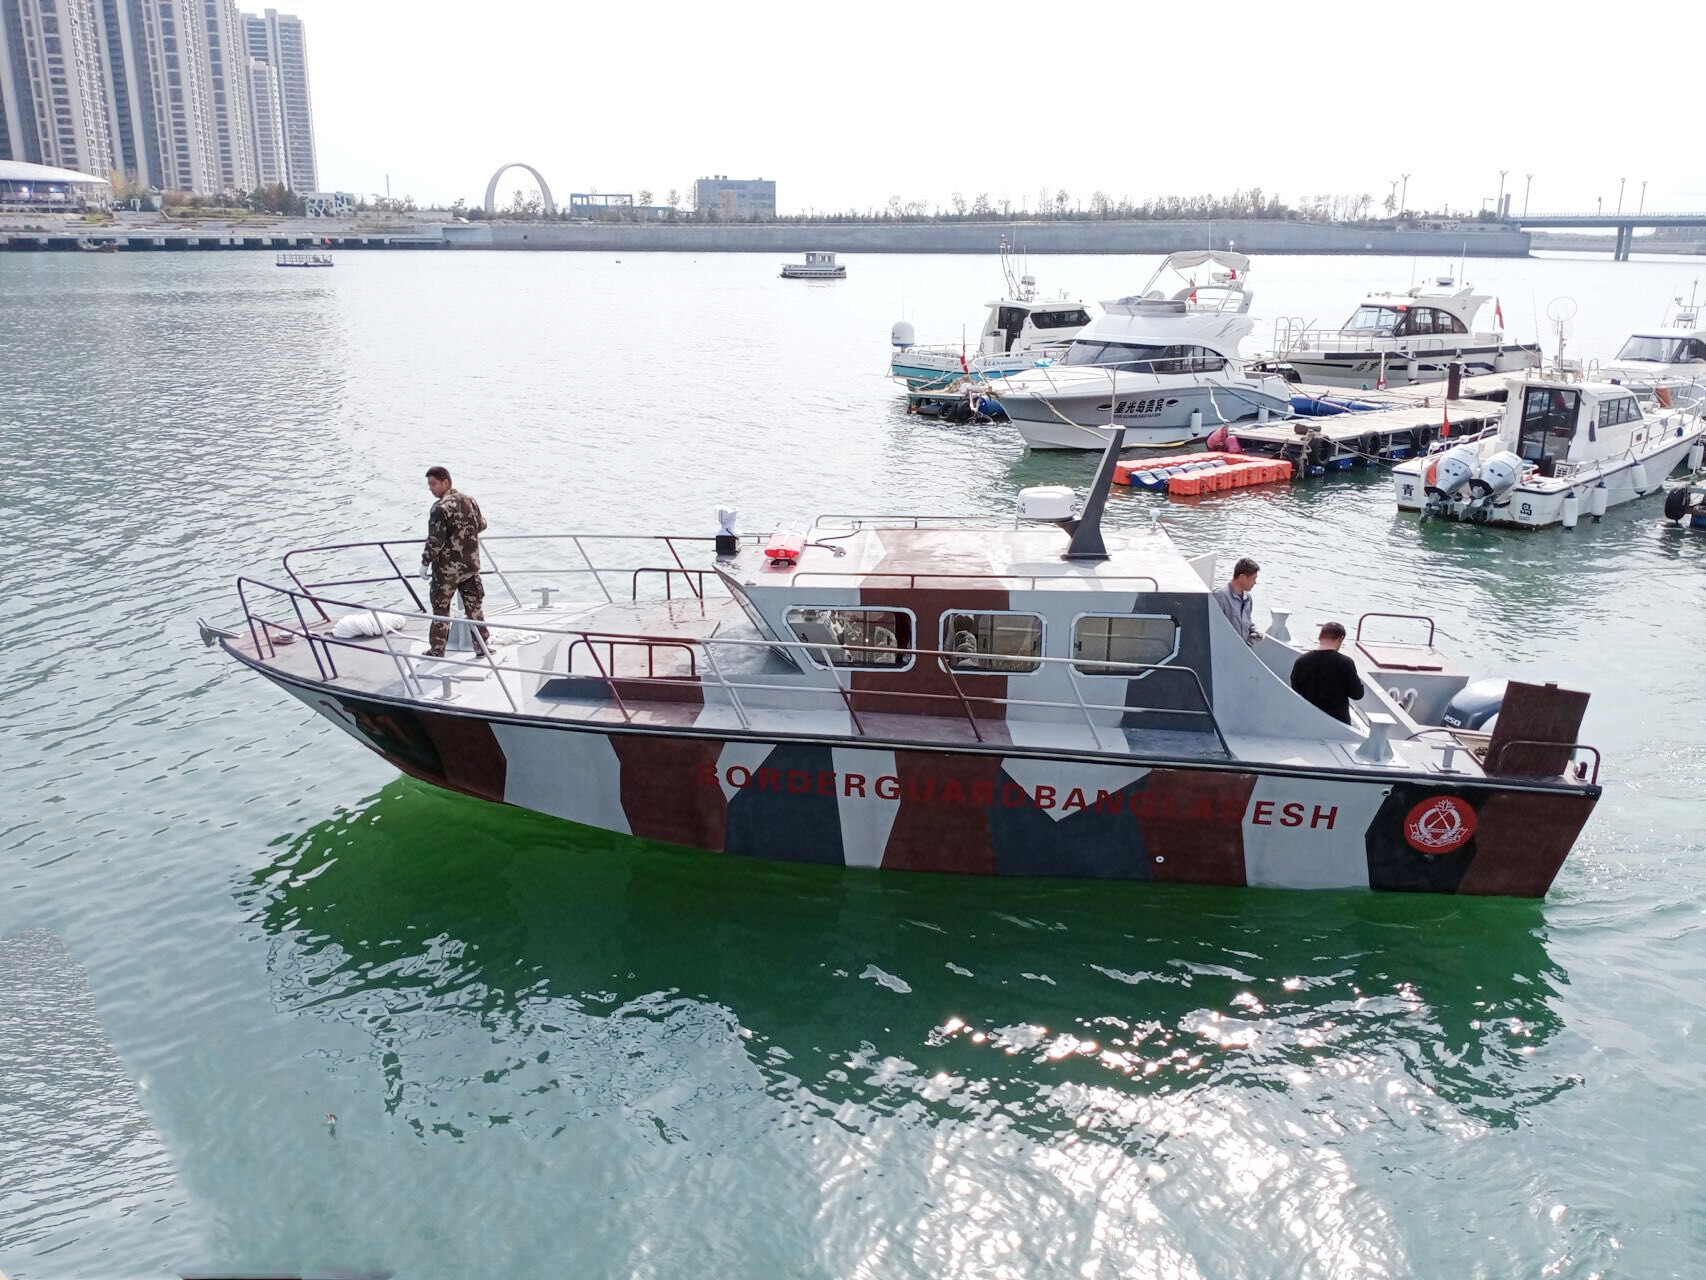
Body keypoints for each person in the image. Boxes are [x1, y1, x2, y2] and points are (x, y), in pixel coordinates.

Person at [420, 466, 489, 657]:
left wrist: (425, 563)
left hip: (446, 572)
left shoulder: (439, 508)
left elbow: (435, 541)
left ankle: (437, 650)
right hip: (470, 566)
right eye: (429, 485)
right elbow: (481, 525)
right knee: (474, 609)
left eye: (433, 484)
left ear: (446, 482)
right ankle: (482, 648)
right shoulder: (469, 500)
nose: (431, 489)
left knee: (441, 610)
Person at [1289, 621, 1366, 724]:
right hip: (1338, 722)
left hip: (1308, 719)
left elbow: (1295, 688)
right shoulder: (1346, 663)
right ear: (1341, 639)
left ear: (1319, 637)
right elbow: (1357, 694)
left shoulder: (1301, 660)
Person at [1211, 557, 1261, 644]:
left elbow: (1247, 621)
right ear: (1242, 577)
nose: (1255, 582)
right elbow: (1212, 625)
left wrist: (1255, 630)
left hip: (1241, 650)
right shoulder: (1219, 596)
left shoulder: (1248, 598)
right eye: (1253, 578)